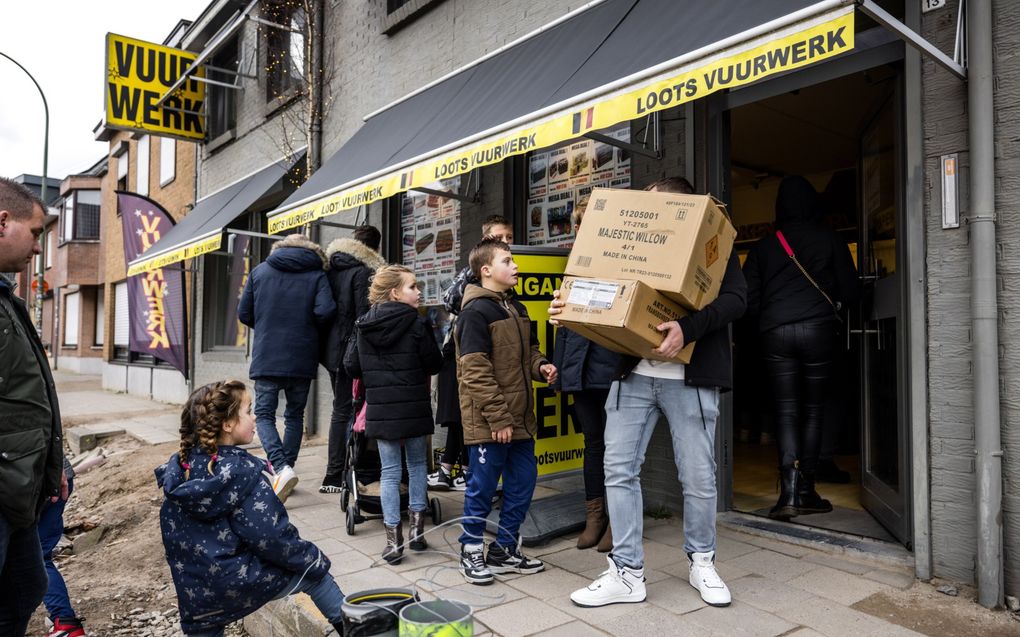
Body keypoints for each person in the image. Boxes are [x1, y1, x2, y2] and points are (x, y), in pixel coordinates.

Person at [553, 176, 747, 609]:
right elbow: (604, 293)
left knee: (697, 477)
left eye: (658, 207)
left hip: (690, 378)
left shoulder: (716, 245)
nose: (649, 214)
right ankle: (626, 572)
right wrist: (571, 308)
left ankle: (702, 562)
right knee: (618, 469)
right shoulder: (635, 244)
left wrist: (688, 329)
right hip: (633, 373)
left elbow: (737, 300)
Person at [156, 380, 345, 636]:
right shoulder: (244, 473)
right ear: (227, 424)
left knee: (205, 627)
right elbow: (271, 537)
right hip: (238, 581)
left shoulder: (179, 472)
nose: (255, 417)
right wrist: (312, 557)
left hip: (196, 592)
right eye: (248, 411)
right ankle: (357, 628)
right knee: (315, 575)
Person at [741, 175, 859, 520]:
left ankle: (787, 493)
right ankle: (805, 490)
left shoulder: (764, 247)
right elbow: (850, 292)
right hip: (818, 330)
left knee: (786, 410)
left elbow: (749, 302)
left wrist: (772, 318)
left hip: (775, 334)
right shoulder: (830, 240)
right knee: (813, 410)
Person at [455, 238, 557, 585]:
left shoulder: (516, 308)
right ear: (486, 270)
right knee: (482, 489)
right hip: (491, 421)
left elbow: (529, 353)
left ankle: (504, 549)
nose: (515, 266)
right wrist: (498, 418)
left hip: (520, 420)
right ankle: (470, 550)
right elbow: (475, 371)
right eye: (508, 261)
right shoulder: (474, 313)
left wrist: (541, 367)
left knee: (523, 484)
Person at [0, 177, 66, 636]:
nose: (39, 249)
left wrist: (49, 464)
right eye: (37, 232)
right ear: (3, 221)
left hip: (19, 488)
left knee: (26, 585)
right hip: (5, 486)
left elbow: (25, 396)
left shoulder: (7, 300)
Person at [344, 265, 443, 564]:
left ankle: (393, 541)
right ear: (395, 292)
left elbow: (351, 367)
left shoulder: (364, 325)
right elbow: (434, 364)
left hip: (382, 407)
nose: (419, 291)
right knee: (415, 466)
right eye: (413, 286)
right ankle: (416, 532)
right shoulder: (417, 324)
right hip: (412, 405)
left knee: (389, 472)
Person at [238, 233, 336, 501]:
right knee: (294, 415)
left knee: (265, 414)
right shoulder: (317, 274)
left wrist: (269, 324)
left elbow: (243, 312)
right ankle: (285, 469)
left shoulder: (260, 271)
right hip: (302, 353)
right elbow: (326, 310)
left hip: (268, 353)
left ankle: (280, 469)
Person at [551, 195, 621, 552]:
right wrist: (562, 370)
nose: (580, 230)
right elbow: (563, 322)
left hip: (613, 366)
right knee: (593, 445)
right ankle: (595, 516)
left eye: (586, 223)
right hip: (580, 367)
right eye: (578, 224)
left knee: (620, 449)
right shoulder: (573, 264)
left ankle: (619, 521)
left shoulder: (621, 257)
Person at [430, 215, 516, 491]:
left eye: (509, 238)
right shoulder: (473, 284)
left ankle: (461, 472)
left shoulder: (513, 278)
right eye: (499, 238)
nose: (506, 243)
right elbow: (451, 300)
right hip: (464, 352)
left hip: (502, 363)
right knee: (461, 412)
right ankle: (460, 473)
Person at [319, 225, 386, 494]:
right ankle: (337, 474)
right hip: (351, 352)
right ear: (375, 249)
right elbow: (363, 319)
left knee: (341, 408)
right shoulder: (363, 272)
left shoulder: (331, 268)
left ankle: (338, 471)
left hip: (331, 351)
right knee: (348, 410)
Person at [37, 458, 86, 637]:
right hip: (58, 476)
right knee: (40, 556)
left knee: (34, 557)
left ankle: (65, 623)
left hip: (26, 483)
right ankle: (65, 622)